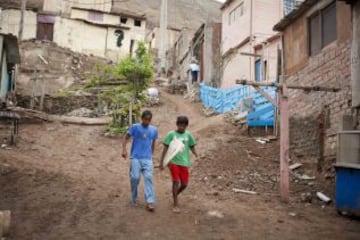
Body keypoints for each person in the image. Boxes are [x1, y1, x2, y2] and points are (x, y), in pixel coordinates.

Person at [160, 116, 198, 213]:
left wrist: (196, 154)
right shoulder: (171, 134)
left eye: (184, 125)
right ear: (177, 124)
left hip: (184, 162)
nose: (182, 127)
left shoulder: (188, 135)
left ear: (186, 126)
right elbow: (165, 149)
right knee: (176, 181)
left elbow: (192, 146)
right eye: (180, 125)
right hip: (173, 162)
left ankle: (175, 194)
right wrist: (162, 162)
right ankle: (175, 204)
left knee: (184, 184)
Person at [122, 110, 158, 212]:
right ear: (142, 118)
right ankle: (134, 197)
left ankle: (150, 201)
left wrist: (151, 155)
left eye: (149, 120)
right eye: (145, 119)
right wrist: (124, 149)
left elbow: (153, 143)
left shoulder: (154, 130)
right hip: (136, 157)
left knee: (148, 178)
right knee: (135, 177)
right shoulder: (135, 127)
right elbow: (126, 137)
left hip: (147, 158)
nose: (147, 121)